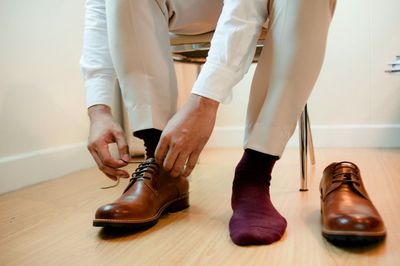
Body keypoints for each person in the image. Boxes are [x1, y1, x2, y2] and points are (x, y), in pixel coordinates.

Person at [81, 0, 336, 246]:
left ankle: (254, 175)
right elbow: (99, 8)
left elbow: (244, 6)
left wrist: (204, 101)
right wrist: (98, 107)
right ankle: (162, 167)